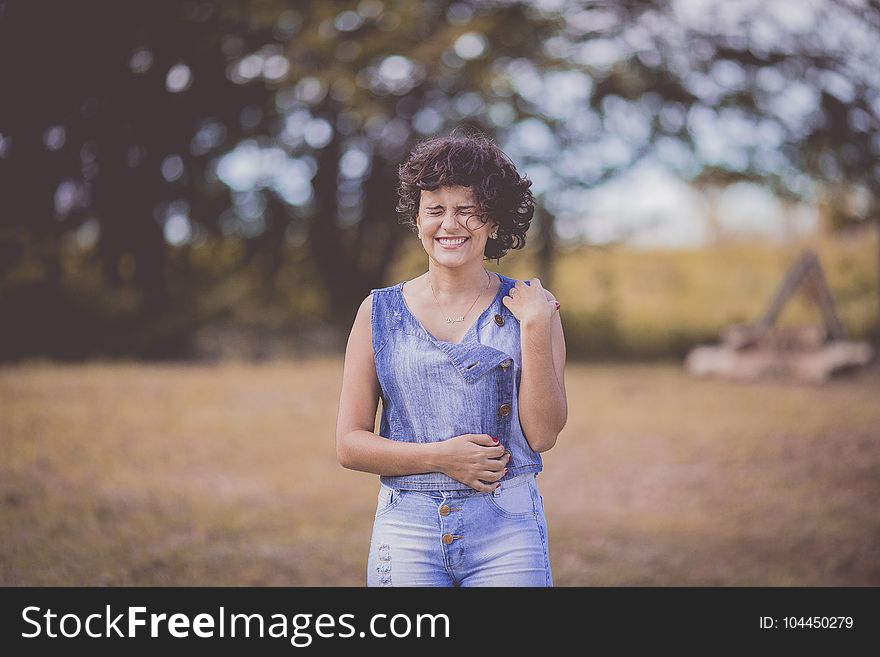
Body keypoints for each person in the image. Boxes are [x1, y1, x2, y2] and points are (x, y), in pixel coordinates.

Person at [335, 129, 567, 586]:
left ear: (494, 221)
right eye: (435, 210)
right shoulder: (378, 312)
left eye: (467, 211)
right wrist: (442, 458)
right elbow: (349, 445)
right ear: (417, 219)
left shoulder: (534, 310)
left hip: (508, 529)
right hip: (406, 531)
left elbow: (542, 435)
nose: (449, 224)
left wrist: (536, 328)